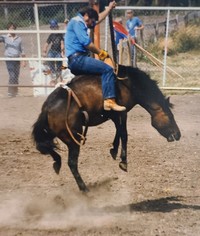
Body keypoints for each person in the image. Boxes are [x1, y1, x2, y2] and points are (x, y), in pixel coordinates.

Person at [65, 2, 126, 112]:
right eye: (91, 22)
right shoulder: (78, 22)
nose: (92, 25)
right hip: (79, 59)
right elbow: (86, 43)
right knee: (107, 70)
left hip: (75, 60)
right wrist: (101, 53)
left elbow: (97, 20)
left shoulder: (80, 21)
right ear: (86, 16)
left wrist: (108, 9)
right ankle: (109, 101)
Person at [0, 22, 26, 97]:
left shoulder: (19, 39)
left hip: (17, 58)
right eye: (10, 28)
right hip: (9, 59)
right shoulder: (5, 37)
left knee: (16, 75)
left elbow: (22, 50)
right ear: (8, 29)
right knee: (12, 75)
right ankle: (10, 91)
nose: (12, 30)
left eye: (13, 28)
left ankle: (15, 91)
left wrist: (24, 60)